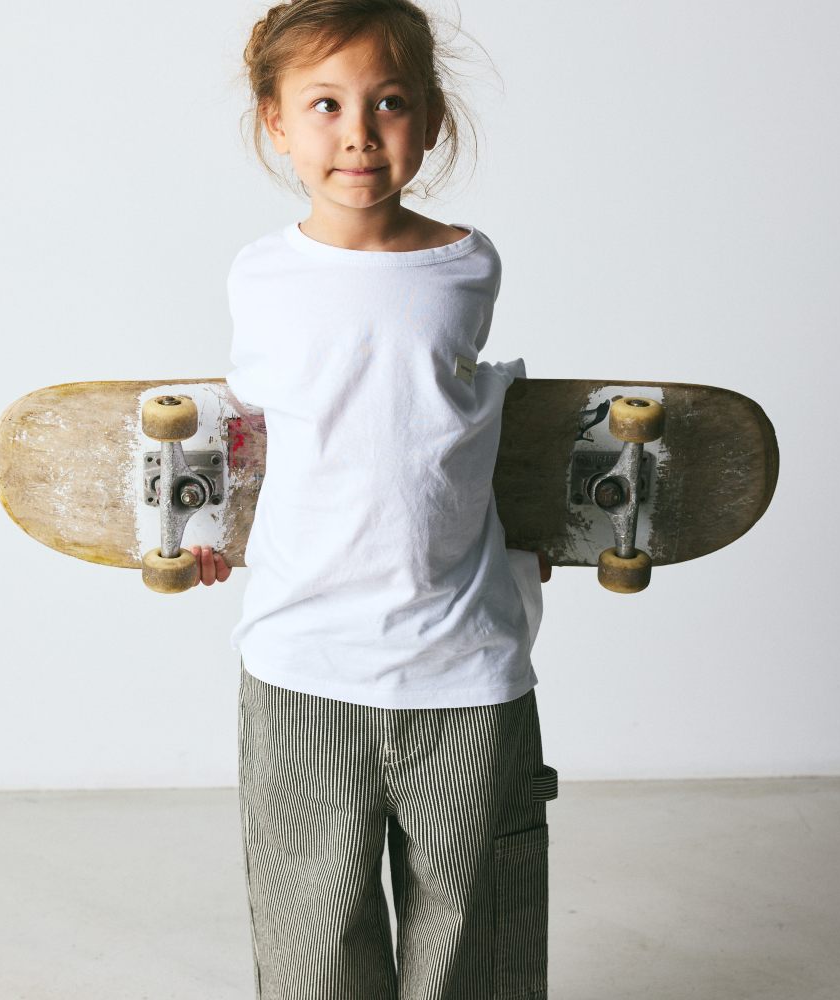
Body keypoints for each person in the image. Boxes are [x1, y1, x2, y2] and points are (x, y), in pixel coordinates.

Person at [194, 2, 558, 997]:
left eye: (389, 102)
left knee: (468, 948)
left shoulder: (463, 264)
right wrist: (215, 532)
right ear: (275, 121)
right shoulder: (259, 275)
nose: (357, 131)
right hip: (299, 654)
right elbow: (262, 436)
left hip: (459, 659)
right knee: (314, 945)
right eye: (324, 103)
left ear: (431, 120)